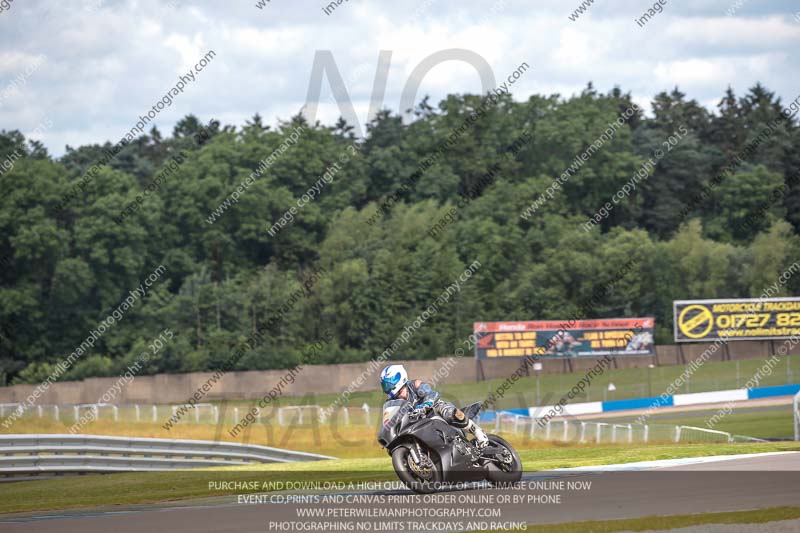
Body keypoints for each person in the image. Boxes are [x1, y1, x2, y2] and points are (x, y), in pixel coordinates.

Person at [380, 364, 489, 448]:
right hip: (416, 424)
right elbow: (390, 419)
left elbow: (432, 394)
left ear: (398, 378)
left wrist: (425, 404)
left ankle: (478, 432)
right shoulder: (392, 402)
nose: (387, 388)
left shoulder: (415, 385)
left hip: (433, 410)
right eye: (385, 385)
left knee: (450, 413)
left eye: (388, 384)